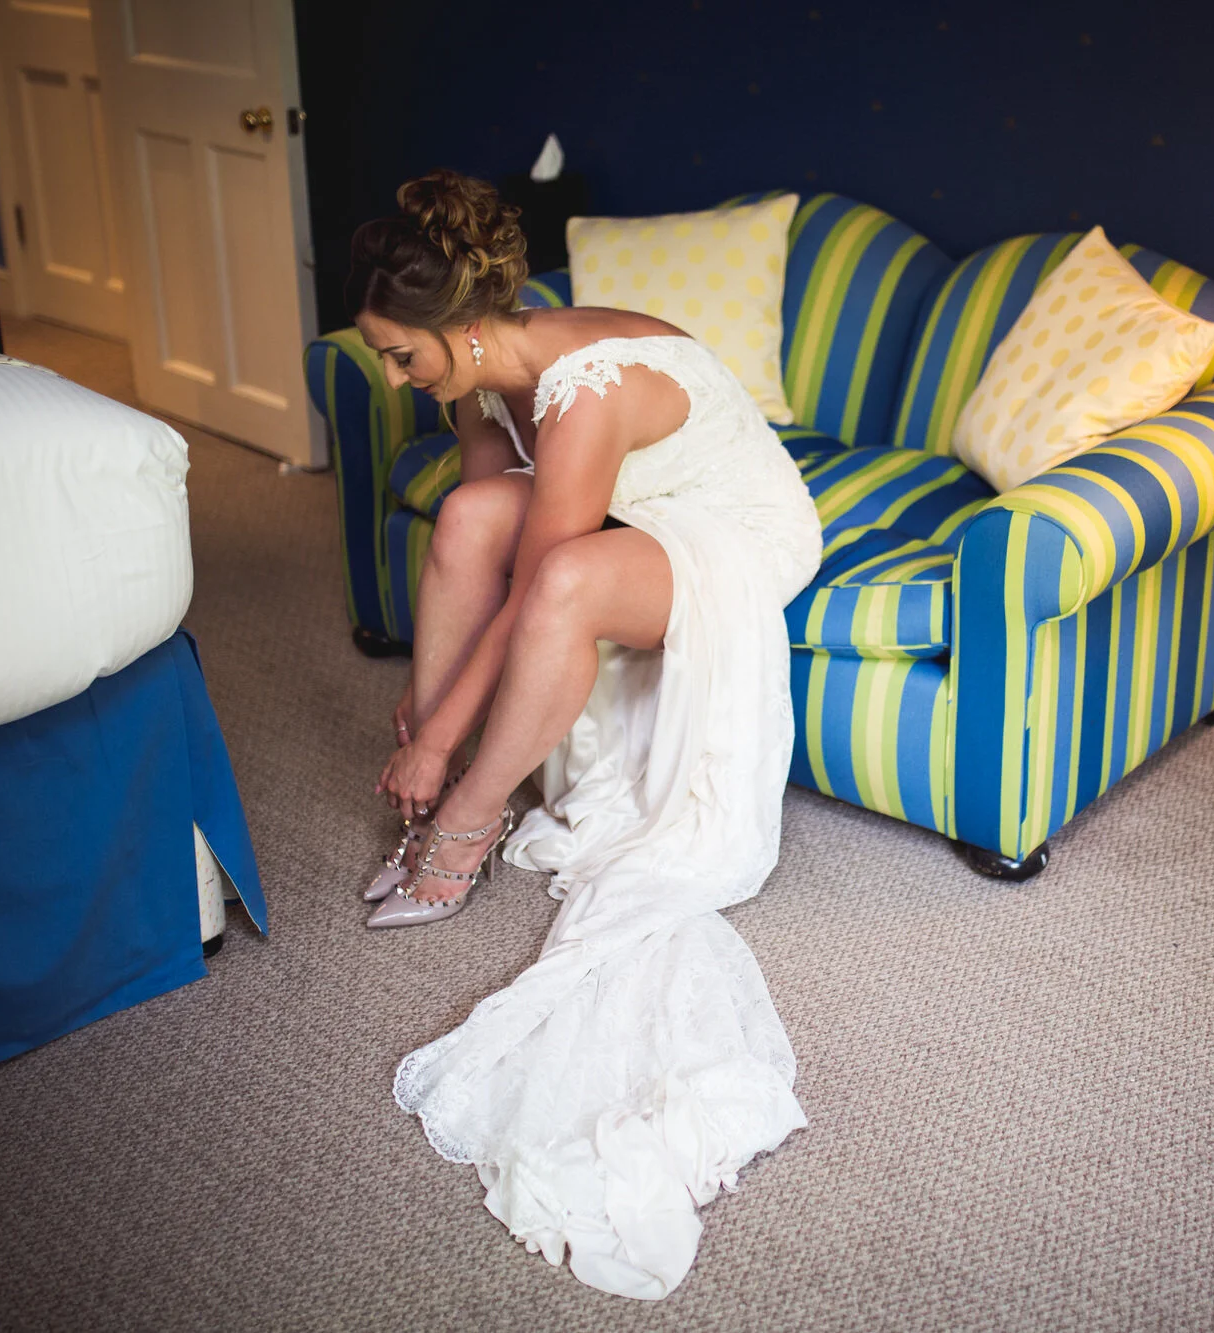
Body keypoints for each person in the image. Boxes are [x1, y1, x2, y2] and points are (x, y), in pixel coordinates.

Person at [345, 170, 822, 1299]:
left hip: (735, 534)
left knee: (563, 585)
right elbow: (486, 538)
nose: (394, 376)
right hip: (636, 513)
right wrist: (431, 703)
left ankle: (462, 824)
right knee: (468, 510)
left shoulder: (582, 391)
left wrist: (441, 741)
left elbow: (535, 586)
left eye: (401, 357)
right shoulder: (476, 383)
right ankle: (441, 776)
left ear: (459, 330)